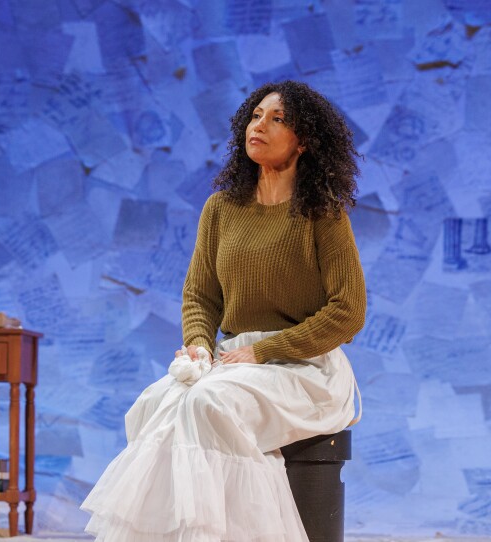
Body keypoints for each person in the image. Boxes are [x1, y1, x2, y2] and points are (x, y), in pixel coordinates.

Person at [80, 80, 367, 541]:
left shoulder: (323, 214)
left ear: (305, 140)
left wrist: (266, 350)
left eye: (278, 119)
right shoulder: (221, 209)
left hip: (304, 367)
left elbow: (348, 312)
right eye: (255, 116)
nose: (260, 125)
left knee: (211, 402)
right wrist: (197, 346)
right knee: (156, 402)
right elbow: (200, 295)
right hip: (235, 360)